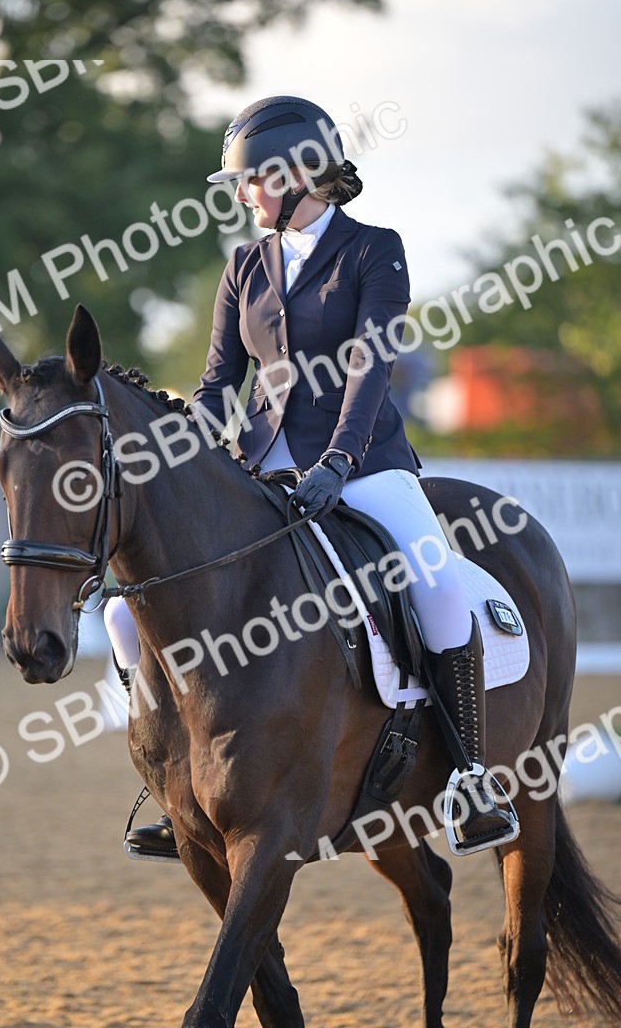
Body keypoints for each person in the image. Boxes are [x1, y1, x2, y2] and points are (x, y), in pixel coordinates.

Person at [107, 94, 517, 861]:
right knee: (127, 615)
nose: (240, 197)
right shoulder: (244, 265)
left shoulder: (374, 250)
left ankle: (470, 775)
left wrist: (339, 462)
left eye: (249, 181)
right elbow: (220, 383)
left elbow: (370, 369)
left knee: (438, 585)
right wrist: (184, 450)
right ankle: (171, 780)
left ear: (300, 175)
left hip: (362, 466)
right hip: (259, 470)